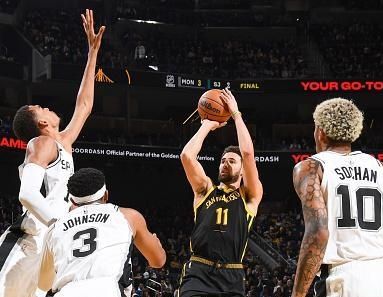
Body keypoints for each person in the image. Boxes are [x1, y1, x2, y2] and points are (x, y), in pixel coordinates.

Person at [0, 10, 105, 297]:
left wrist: (91, 53)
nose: (47, 107)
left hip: (49, 246)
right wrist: (61, 223)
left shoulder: (62, 144)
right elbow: (27, 194)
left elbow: (83, 106)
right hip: (29, 242)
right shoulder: (40, 144)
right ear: (42, 123)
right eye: (42, 108)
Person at [291, 98, 383, 297]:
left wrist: (297, 294)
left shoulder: (310, 167)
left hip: (344, 277)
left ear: (320, 131)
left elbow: (319, 233)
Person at [178, 88, 263, 296]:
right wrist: (207, 125)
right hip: (198, 270)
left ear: (242, 170)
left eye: (232, 161)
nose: (225, 164)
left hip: (231, 275)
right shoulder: (205, 190)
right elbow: (187, 157)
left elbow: (248, 153)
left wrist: (236, 115)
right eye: (223, 161)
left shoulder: (249, 196)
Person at [38, 168, 166, 297]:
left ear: (72, 201)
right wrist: (157, 243)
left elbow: (43, 284)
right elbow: (158, 261)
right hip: (108, 290)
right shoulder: (128, 216)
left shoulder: (55, 228)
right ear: (106, 195)